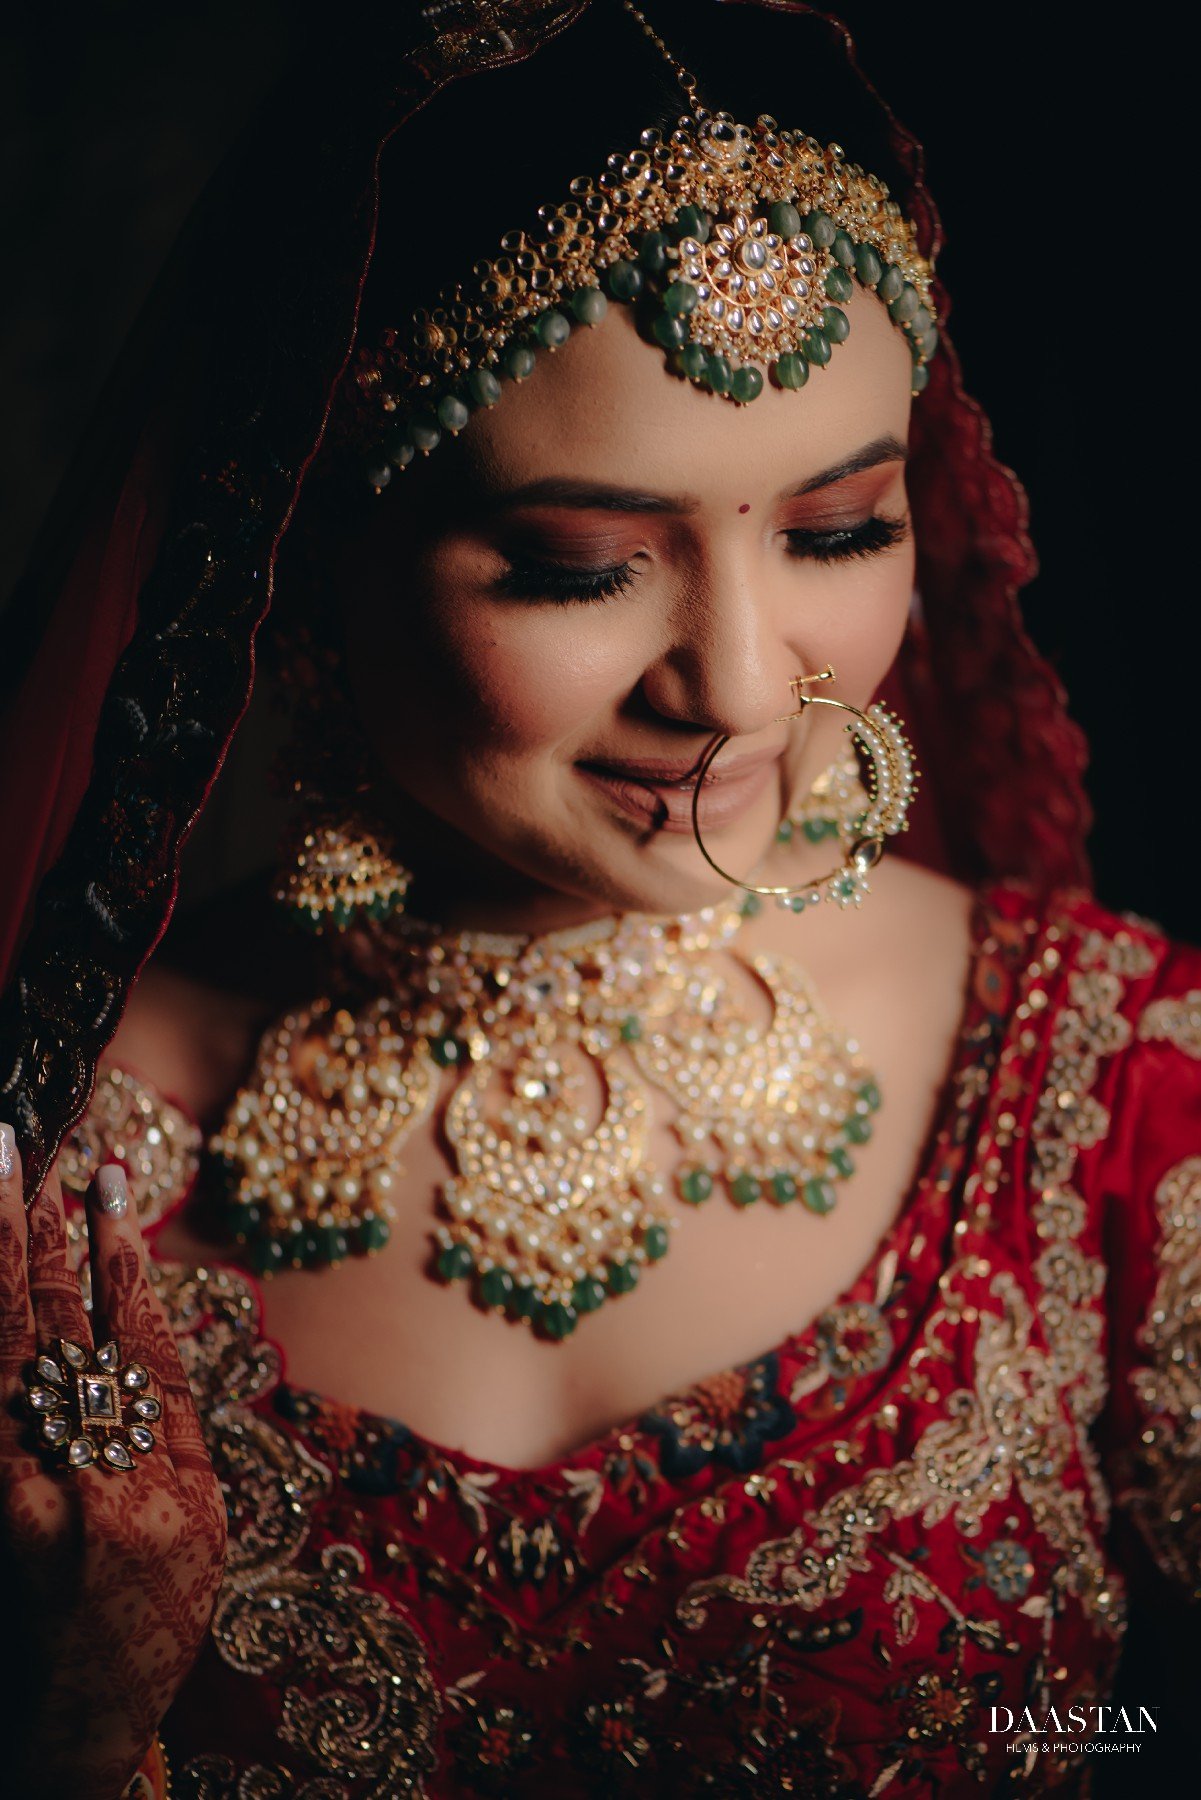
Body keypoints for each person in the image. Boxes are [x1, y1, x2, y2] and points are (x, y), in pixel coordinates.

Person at [1, 2, 1197, 1794]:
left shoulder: (1109, 1085)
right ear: (311, 547)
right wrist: (69, 1728)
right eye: (581, 564)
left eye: (836, 532)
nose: (733, 682)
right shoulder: (55, 1165)